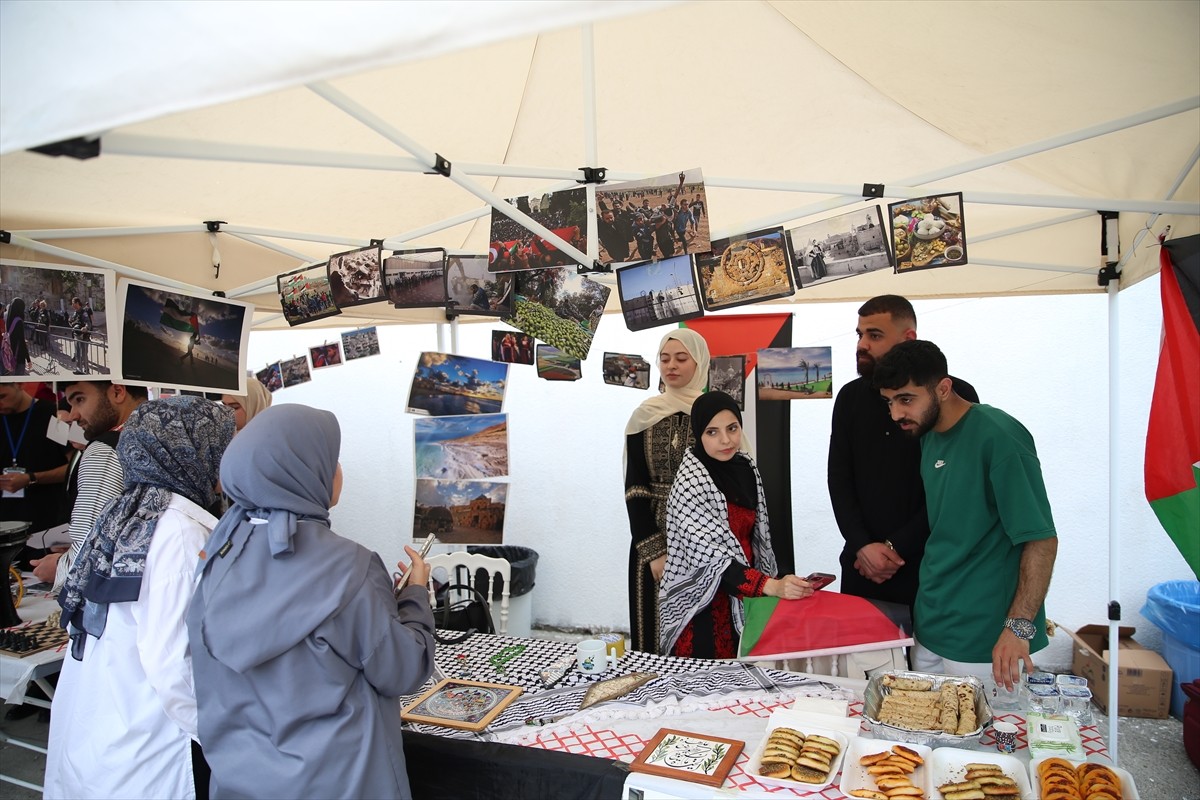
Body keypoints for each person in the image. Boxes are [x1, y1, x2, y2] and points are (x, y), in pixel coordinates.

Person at [187, 404, 436, 799]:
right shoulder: (350, 567)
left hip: (244, 781)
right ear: (302, 470)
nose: (338, 471)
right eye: (332, 459)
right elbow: (402, 669)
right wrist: (415, 596)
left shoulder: (216, 557)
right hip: (341, 780)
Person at [44, 396, 235, 800]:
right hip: (151, 747)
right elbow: (174, 665)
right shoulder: (180, 532)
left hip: (105, 735)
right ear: (195, 453)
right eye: (222, 448)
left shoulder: (124, 512)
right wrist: (228, 741)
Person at [873, 340, 1058, 691]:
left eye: (906, 399)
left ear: (943, 388)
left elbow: (1041, 539)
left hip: (986, 638)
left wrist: (1019, 629)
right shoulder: (928, 436)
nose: (896, 414)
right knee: (921, 740)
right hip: (930, 625)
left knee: (985, 743)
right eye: (890, 402)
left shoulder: (999, 436)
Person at [827, 296, 979, 616]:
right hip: (862, 564)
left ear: (908, 337)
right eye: (860, 335)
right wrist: (863, 545)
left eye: (875, 335)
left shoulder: (952, 396)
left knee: (927, 665)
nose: (862, 345)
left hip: (931, 565)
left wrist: (895, 548)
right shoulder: (850, 398)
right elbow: (839, 478)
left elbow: (953, 488)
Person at [659, 391, 811, 658]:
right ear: (698, 434)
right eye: (712, 432)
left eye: (732, 428)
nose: (726, 440)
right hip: (702, 601)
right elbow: (711, 561)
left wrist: (769, 582)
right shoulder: (689, 484)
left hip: (746, 590)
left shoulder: (746, 467)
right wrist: (771, 586)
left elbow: (759, 538)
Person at [623, 329, 710, 654]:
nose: (671, 365)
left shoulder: (712, 414)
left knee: (700, 630)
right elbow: (635, 487)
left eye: (681, 358)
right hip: (652, 536)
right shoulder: (643, 417)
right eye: (665, 358)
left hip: (704, 538)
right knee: (651, 630)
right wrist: (655, 551)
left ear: (698, 361)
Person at [31, 381, 148, 588]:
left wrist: (60, 566)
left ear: (118, 392)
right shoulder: (162, 437)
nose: (74, 414)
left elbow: (90, 542)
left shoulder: (105, 450)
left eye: (80, 399)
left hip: (117, 590)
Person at [0, 384, 69, 566]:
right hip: (7, 529)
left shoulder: (52, 414)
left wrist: (32, 478)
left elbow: (74, 468)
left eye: (2, 396)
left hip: (48, 525)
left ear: (18, 384)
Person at [69, 297, 91, 373]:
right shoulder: (75, 313)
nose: (72, 305)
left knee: (83, 355)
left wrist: (86, 327)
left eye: (73, 303)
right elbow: (73, 323)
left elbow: (88, 323)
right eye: (72, 304)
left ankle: (86, 370)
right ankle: (78, 370)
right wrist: (70, 321)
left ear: (78, 303)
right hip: (76, 336)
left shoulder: (83, 312)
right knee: (77, 354)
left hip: (84, 337)